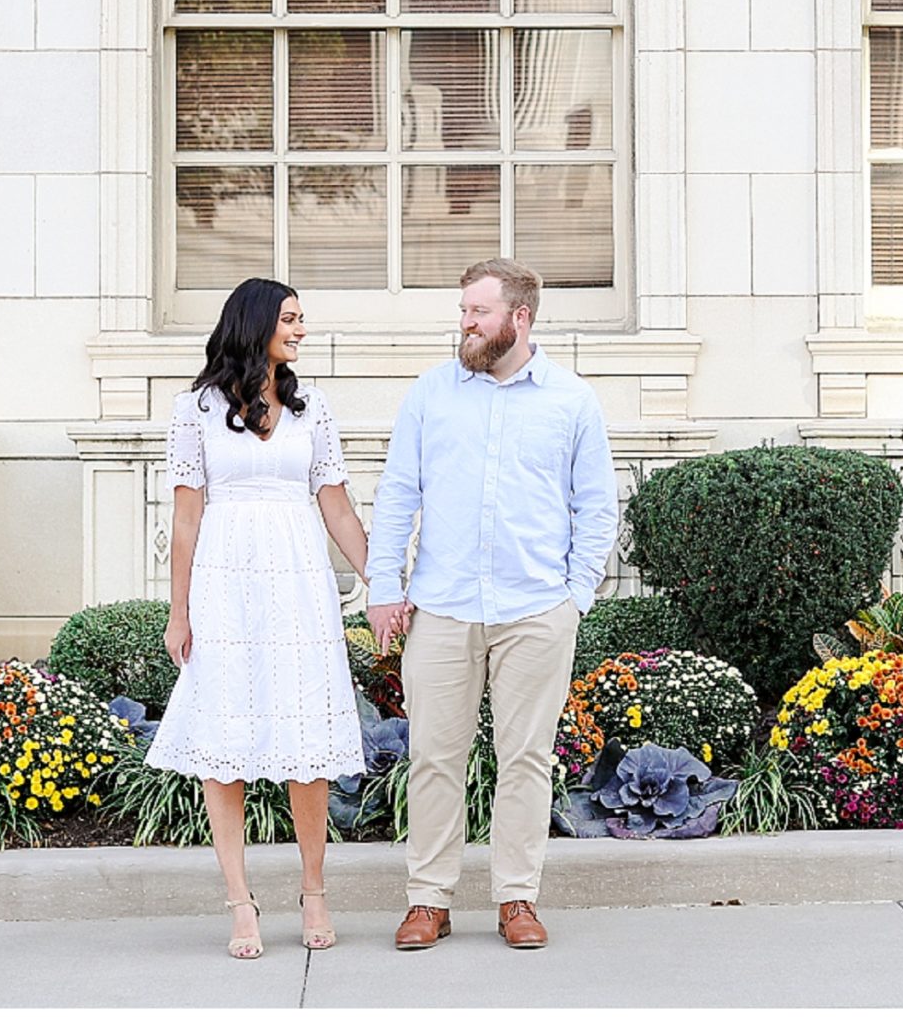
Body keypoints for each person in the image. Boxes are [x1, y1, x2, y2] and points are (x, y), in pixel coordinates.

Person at [363, 257, 618, 952]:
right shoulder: (430, 395)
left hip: (536, 608)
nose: (466, 323)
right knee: (435, 756)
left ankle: (517, 897)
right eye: (463, 311)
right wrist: (384, 586)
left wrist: (575, 597)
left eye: (478, 311)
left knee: (526, 758)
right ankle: (429, 900)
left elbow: (597, 508)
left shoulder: (571, 401)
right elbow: (397, 496)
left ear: (520, 317)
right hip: (442, 605)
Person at [146, 278, 369, 960]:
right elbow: (186, 518)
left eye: (302, 318)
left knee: (306, 741)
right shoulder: (197, 410)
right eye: (291, 319)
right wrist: (178, 610)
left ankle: (314, 887)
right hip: (225, 584)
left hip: (299, 581)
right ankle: (239, 900)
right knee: (227, 742)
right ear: (256, 324)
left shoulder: (312, 408)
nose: (301, 330)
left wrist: (380, 579)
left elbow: (334, 503)